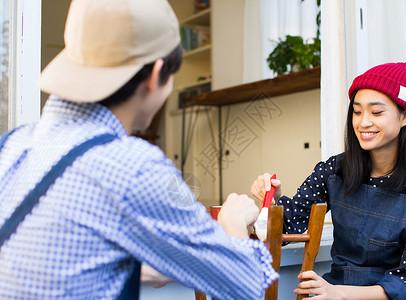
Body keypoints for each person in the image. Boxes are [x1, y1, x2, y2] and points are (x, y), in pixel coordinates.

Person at [0, 0, 278, 299]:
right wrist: (232, 220)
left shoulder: (12, 145)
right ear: (157, 74)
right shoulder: (133, 165)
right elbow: (246, 284)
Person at [251, 62, 406, 300]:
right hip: (335, 290)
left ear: (404, 116)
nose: (363, 122)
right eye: (357, 111)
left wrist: (337, 293)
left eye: (376, 112)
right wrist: (273, 198)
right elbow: (289, 226)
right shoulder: (335, 170)